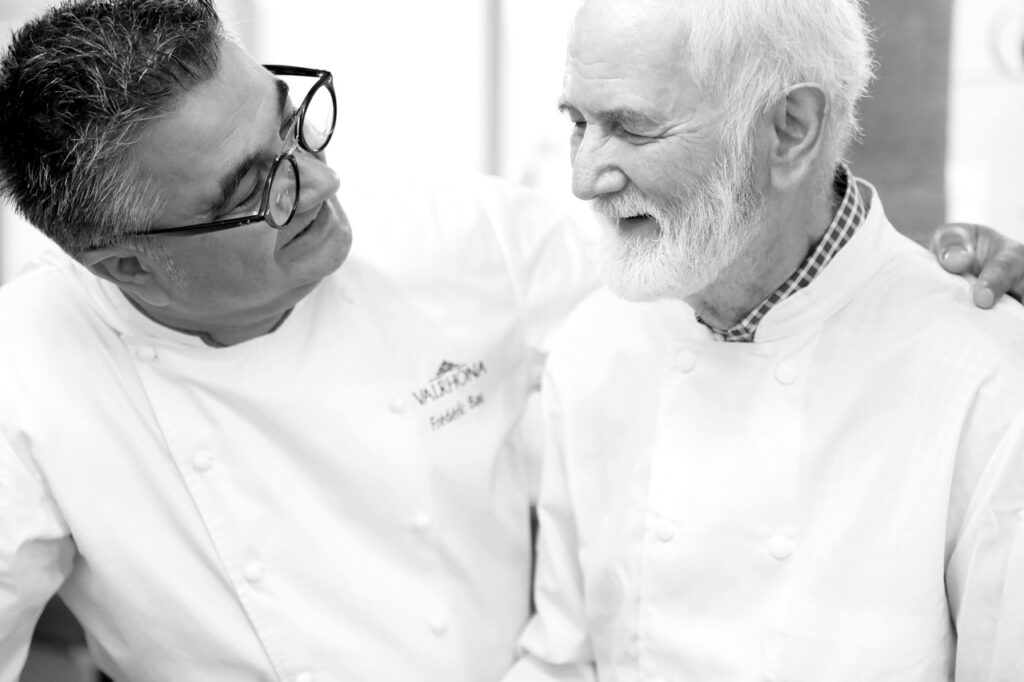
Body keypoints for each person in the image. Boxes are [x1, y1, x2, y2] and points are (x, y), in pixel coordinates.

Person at [0, 1, 1020, 681]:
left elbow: (743, 260)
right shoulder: (28, 375)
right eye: (251, 190)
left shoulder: (977, 378)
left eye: (294, 125)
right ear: (121, 262)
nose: (319, 182)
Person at [508, 0, 1024, 680]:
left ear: (790, 130)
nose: (584, 178)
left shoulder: (987, 378)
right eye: (578, 123)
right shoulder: (596, 342)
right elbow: (563, 660)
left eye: (631, 128)